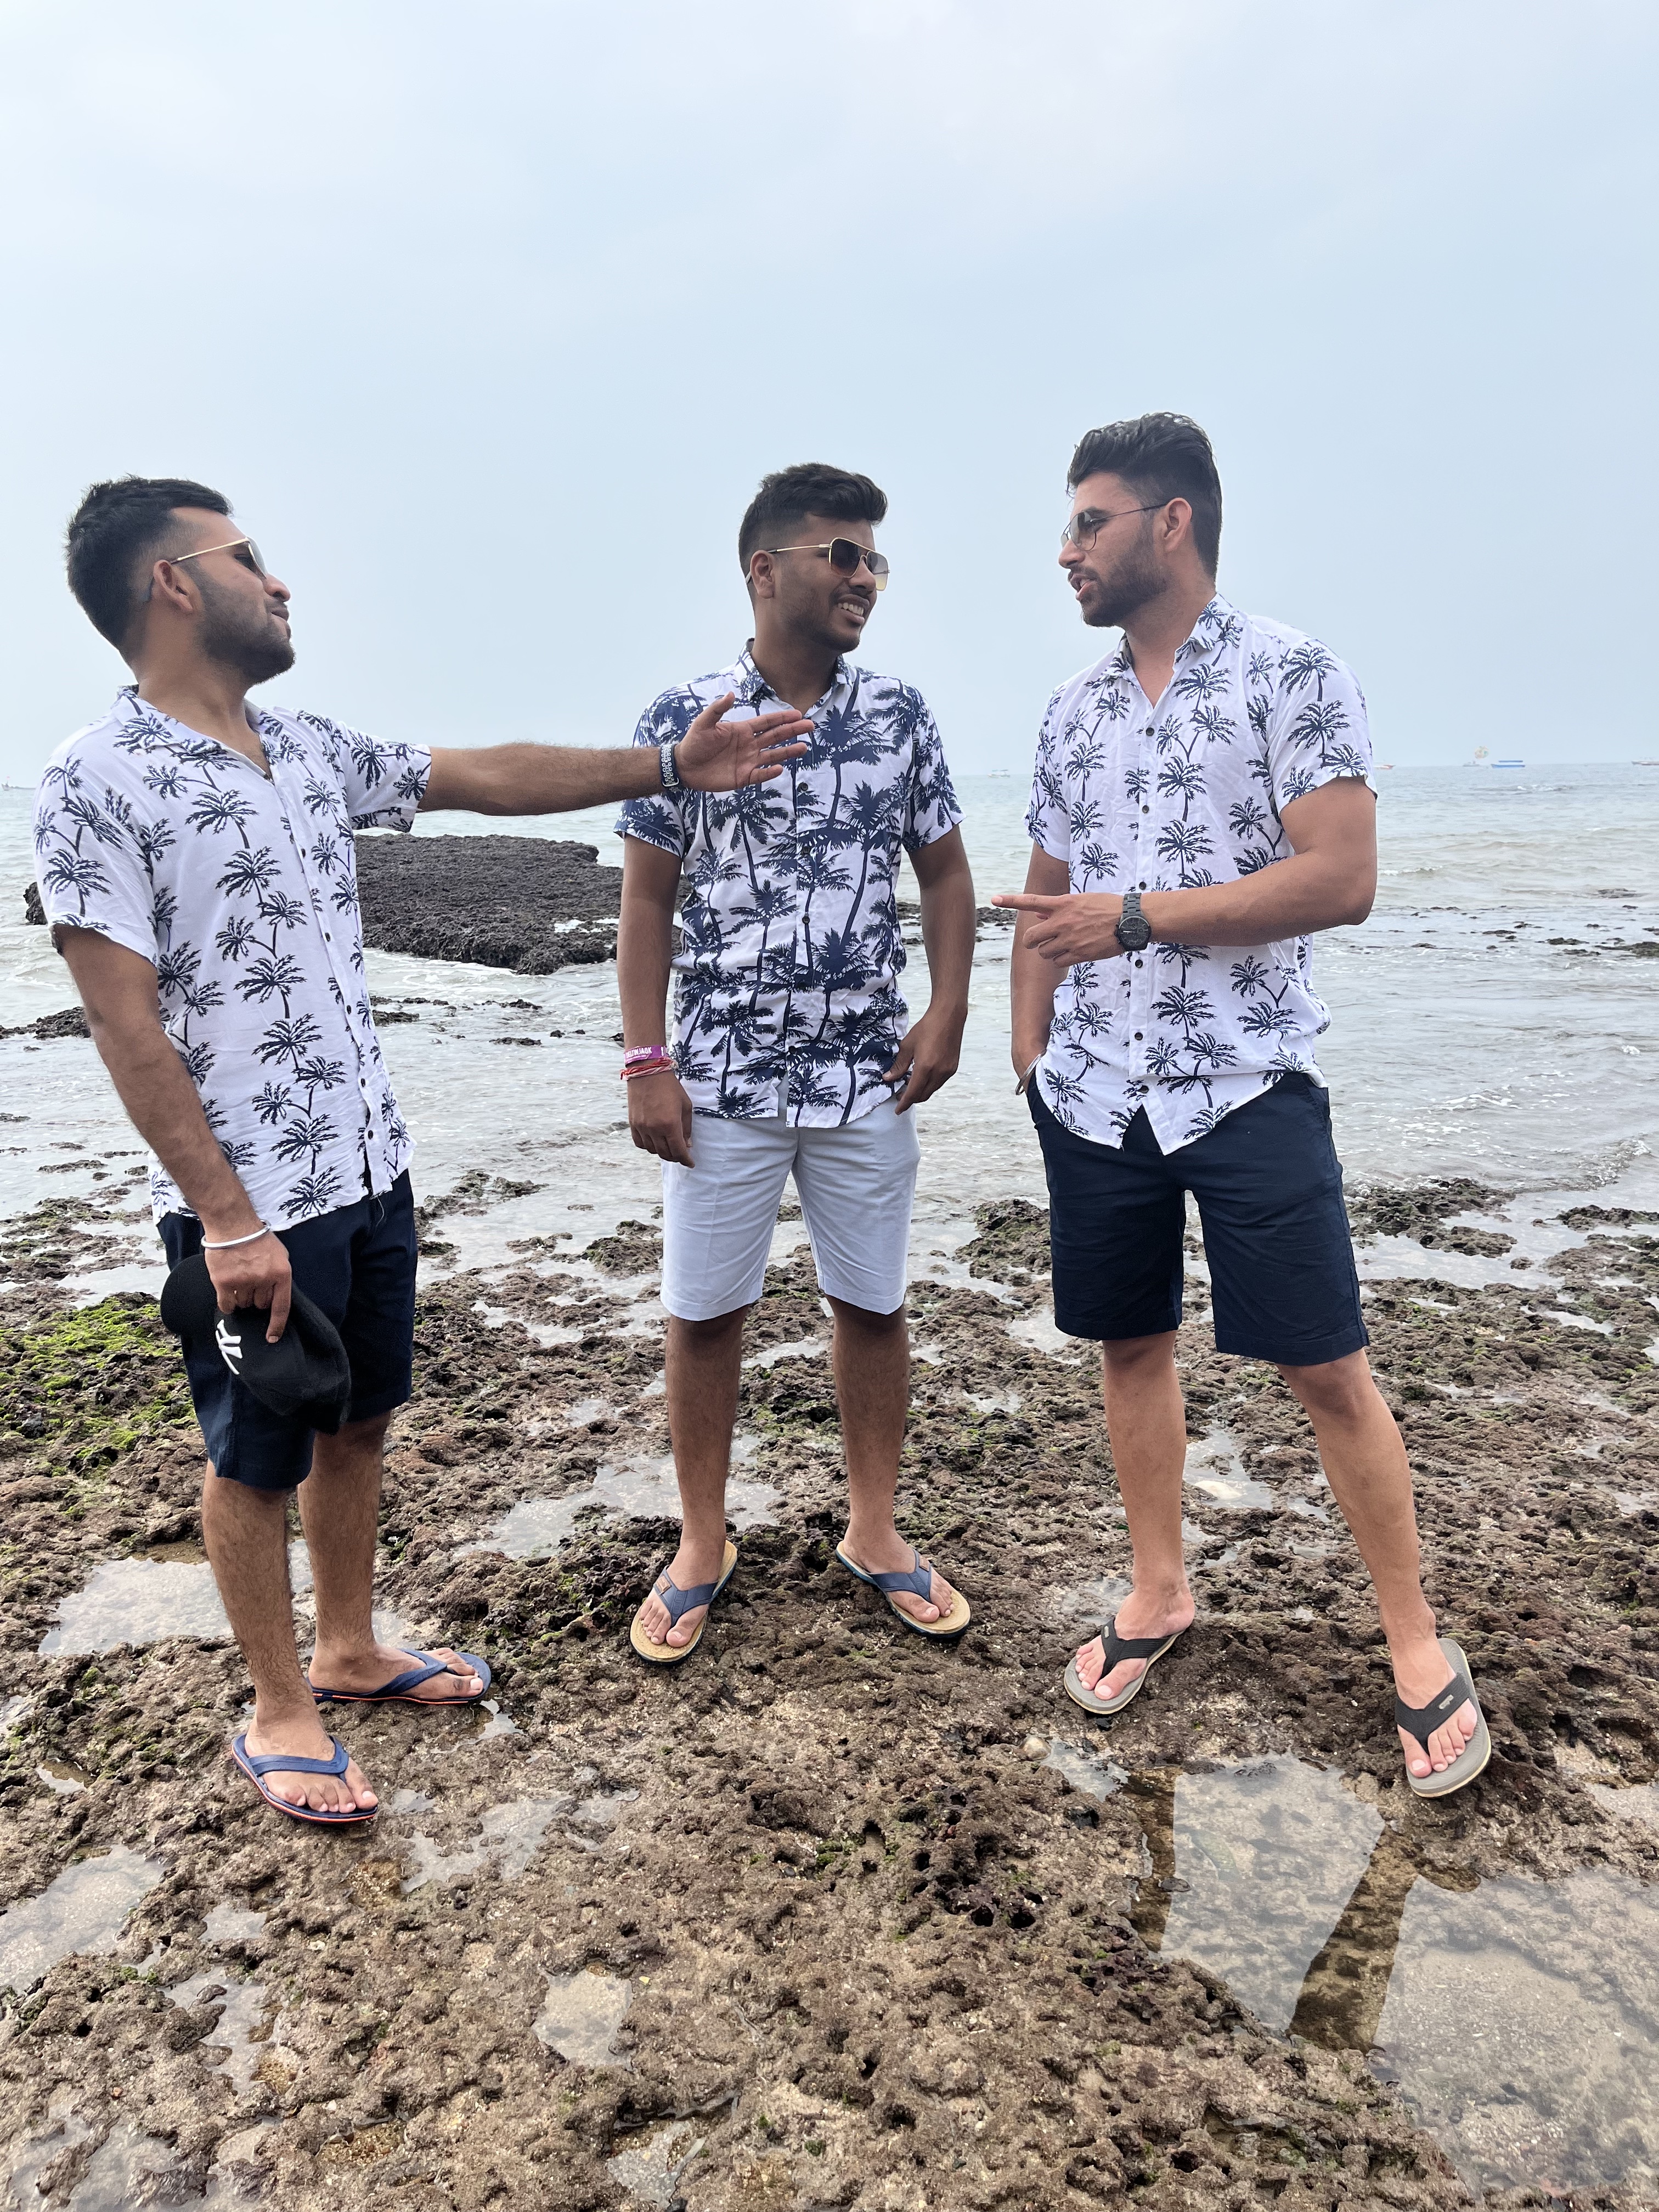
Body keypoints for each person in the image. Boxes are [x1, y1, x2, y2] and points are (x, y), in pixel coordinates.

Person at [35, 475, 811, 1825]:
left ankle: (348, 1648)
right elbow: (125, 1026)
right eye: (249, 559)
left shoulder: (302, 747)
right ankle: (278, 1707)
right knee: (253, 1453)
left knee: (362, 1421)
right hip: (251, 1204)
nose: (279, 585)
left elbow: (485, 775)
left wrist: (670, 769)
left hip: (368, 1167)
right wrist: (225, 1222)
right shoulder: (95, 781)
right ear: (172, 583)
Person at [996, 415, 1488, 1798]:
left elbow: (1341, 878)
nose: (1066, 549)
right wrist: (1031, 1054)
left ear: (1171, 524)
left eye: (1090, 522)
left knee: (1326, 1365)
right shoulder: (1074, 709)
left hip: (1249, 1079)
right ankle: (1159, 1591)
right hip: (1095, 1098)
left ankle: (1413, 1642)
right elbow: (1047, 892)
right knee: (1129, 1346)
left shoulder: (1292, 673)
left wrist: (1142, 919)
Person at [617, 462, 977, 1663]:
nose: (865, 576)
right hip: (718, 1075)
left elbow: (946, 876)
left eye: (874, 558)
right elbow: (647, 907)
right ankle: (702, 1543)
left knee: (871, 1305)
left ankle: (874, 1531)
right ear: (765, 570)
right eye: (842, 554)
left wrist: (949, 1010)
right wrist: (646, 1060)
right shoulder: (683, 719)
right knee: (704, 1313)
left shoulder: (900, 718)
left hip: (861, 1072)